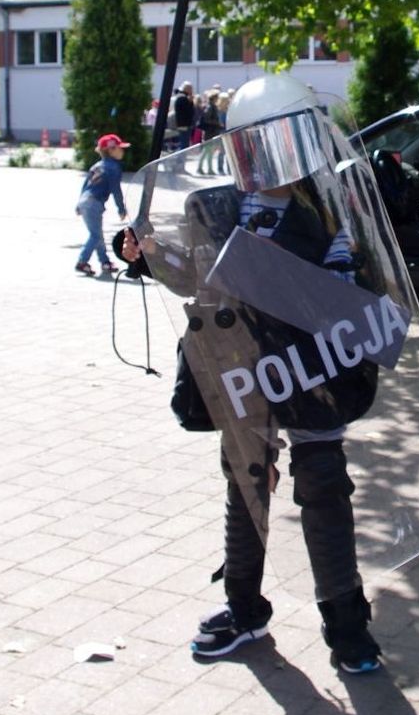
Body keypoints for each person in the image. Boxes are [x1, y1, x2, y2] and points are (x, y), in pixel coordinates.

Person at [120, 74, 383, 674]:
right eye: (253, 144)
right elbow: (195, 278)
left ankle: (346, 624)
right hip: (241, 365)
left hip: (311, 367)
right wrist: (149, 253)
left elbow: (356, 289)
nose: (267, 160)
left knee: (322, 482)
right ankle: (243, 606)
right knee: (246, 482)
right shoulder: (211, 205)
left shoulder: (333, 206)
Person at [74, 133, 129, 276]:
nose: (122, 151)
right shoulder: (114, 168)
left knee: (97, 234)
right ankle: (82, 261)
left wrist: (78, 204)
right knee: (95, 235)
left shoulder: (96, 166)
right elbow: (116, 190)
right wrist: (121, 209)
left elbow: (85, 185)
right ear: (111, 150)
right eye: (119, 148)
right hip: (95, 203)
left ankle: (105, 262)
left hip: (85, 201)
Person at [196, 89, 222, 175]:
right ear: (214, 98)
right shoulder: (210, 107)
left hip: (210, 132)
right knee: (207, 152)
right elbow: (207, 119)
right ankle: (205, 169)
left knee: (207, 152)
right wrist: (217, 123)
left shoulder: (211, 106)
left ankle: (203, 168)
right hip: (209, 132)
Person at [172, 81, 195, 149]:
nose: (192, 90)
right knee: (184, 144)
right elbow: (188, 111)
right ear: (186, 89)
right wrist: (191, 102)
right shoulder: (183, 98)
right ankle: (180, 159)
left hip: (182, 124)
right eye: (190, 88)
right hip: (184, 124)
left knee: (184, 143)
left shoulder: (180, 97)